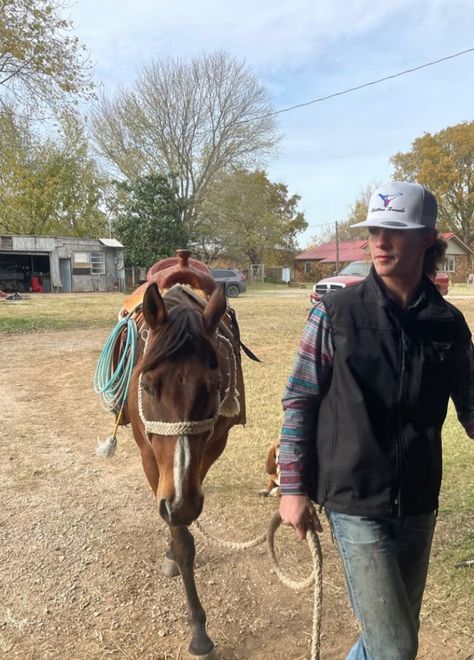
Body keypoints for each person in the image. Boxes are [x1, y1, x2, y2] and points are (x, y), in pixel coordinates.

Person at [279, 180, 474, 660]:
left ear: (428, 239)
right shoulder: (333, 313)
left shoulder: (448, 325)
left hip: (419, 502)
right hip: (353, 501)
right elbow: (299, 400)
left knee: (394, 634)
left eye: (395, 230)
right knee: (395, 646)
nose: (380, 242)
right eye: (374, 231)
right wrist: (292, 488)